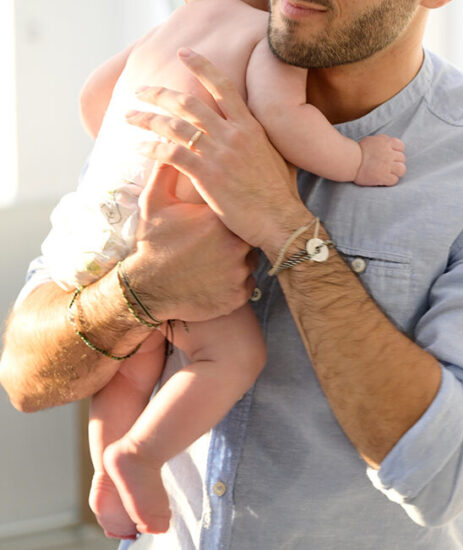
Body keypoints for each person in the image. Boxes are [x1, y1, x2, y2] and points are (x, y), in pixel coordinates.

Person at [0, 0, 463, 548]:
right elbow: (24, 381)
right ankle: (129, 468)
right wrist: (141, 291)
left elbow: (445, 477)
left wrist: (289, 231)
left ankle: (121, 469)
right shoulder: (188, 106)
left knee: (131, 378)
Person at [40, 0, 405, 540]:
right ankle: (140, 455)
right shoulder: (273, 35)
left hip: (97, 222)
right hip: (180, 229)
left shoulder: (177, 24)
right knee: (231, 356)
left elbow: (95, 96)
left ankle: (106, 476)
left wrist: (128, 154)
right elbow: (287, 120)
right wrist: (358, 161)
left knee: (130, 368)